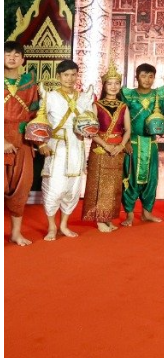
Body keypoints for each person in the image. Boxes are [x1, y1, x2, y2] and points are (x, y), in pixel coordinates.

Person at [38, 59, 95, 241]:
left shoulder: (83, 97)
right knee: (55, 187)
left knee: (73, 189)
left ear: (77, 76)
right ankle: (52, 227)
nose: (69, 79)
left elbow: (90, 122)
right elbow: (40, 122)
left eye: (73, 75)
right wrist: (41, 144)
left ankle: (64, 225)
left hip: (77, 147)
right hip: (57, 147)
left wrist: (89, 128)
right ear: (58, 76)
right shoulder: (49, 96)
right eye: (65, 75)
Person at [81, 63, 131, 233]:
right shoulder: (97, 106)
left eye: (117, 83)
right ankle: (99, 219)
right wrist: (106, 145)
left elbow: (128, 130)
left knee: (114, 186)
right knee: (99, 183)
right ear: (104, 86)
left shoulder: (123, 106)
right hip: (101, 148)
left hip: (117, 149)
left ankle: (108, 217)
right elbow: (91, 130)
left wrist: (121, 146)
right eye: (110, 83)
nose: (113, 86)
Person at [120, 63, 164, 227]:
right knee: (130, 178)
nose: (147, 79)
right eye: (143, 75)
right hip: (132, 143)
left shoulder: (158, 95)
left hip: (151, 144)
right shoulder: (128, 95)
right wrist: (123, 143)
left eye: (150, 76)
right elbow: (119, 119)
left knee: (151, 179)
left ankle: (147, 212)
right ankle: (130, 214)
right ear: (137, 76)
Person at [4, 41, 40, 246]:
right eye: (7, 53)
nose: (12, 57)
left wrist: (38, 136)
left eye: (17, 54)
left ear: (23, 59)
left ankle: (16, 233)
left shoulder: (30, 83)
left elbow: (35, 114)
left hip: (23, 141)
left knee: (21, 187)